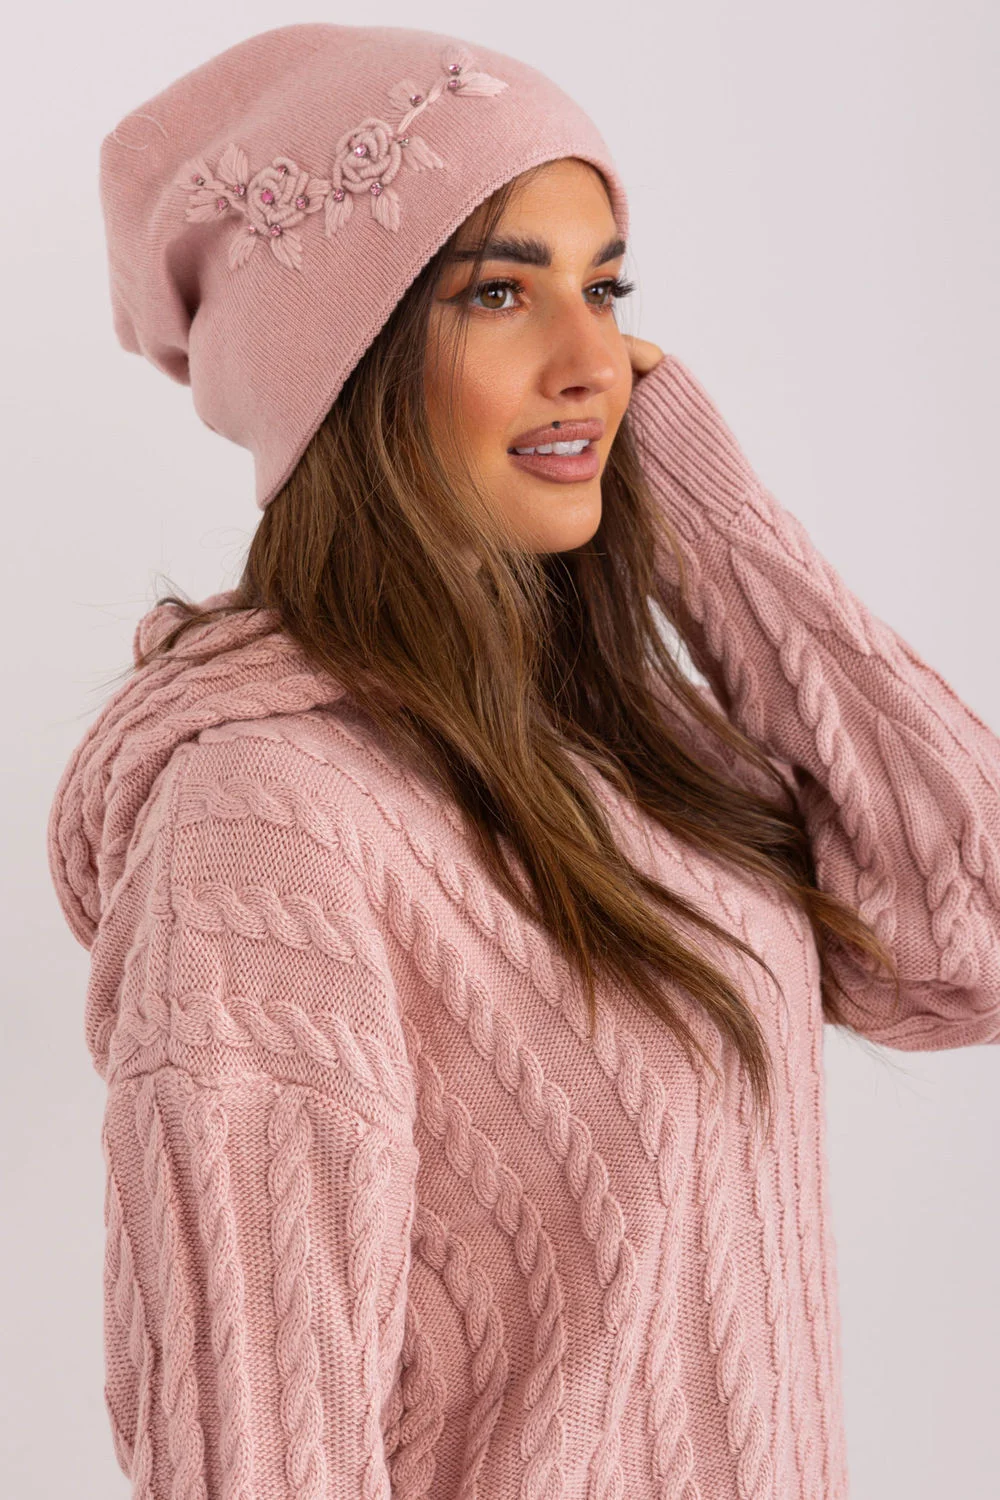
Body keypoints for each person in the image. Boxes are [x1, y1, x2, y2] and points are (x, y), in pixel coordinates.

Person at [46, 22, 999, 1500]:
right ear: (338, 367)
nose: (593, 362)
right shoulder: (266, 822)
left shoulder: (617, 744)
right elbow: (260, 1459)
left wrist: (710, 511)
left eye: (606, 290)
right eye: (498, 292)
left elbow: (970, 939)